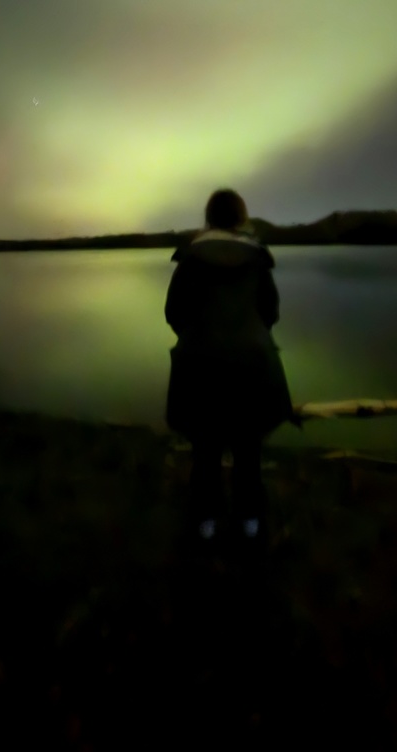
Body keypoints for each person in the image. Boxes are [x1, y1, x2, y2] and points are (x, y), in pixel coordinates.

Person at [164, 189, 294, 546]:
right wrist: (246, 337)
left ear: (208, 217)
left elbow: (174, 313)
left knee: (205, 450)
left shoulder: (191, 258)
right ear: (241, 217)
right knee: (248, 449)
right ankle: (250, 522)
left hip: (200, 367)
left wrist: (200, 338)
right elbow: (271, 313)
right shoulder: (257, 259)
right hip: (252, 366)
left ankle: (206, 523)